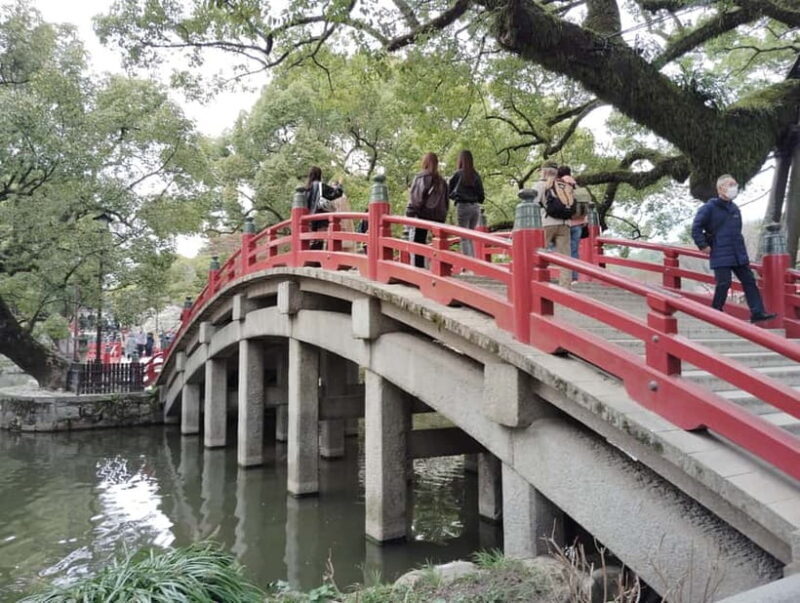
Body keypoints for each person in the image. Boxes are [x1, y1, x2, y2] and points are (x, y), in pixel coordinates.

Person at [691, 174, 776, 323]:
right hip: (720, 251)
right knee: (724, 283)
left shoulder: (735, 208)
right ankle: (716, 310)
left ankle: (757, 312)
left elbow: (737, 230)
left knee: (749, 281)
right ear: (720, 188)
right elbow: (696, 228)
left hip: (738, 252)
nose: (734, 188)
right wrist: (703, 245)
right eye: (730, 185)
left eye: (735, 185)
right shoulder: (709, 208)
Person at [406, 152, 449, 268]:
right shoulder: (443, 182)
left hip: (422, 215)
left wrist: (409, 214)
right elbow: (446, 202)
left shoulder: (421, 177)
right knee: (439, 246)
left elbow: (416, 199)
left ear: (424, 162)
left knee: (418, 244)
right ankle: (440, 270)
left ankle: (418, 272)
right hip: (438, 217)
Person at [534, 160, 574, 287]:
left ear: (543, 171)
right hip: (565, 223)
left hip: (546, 223)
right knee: (565, 258)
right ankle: (565, 287)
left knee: (539, 253)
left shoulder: (540, 185)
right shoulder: (564, 184)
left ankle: (539, 283)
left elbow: (532, 203)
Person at [448, 150, 485, 257]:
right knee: (471, 236)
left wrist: (456, 197)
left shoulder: (458, 174)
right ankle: (472, 262)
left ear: (461, 160)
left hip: (463, 207)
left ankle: (468, 265)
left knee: (464, 237)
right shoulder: (476, 175)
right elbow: (481, 195)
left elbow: (448, 190)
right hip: (475, 208)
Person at [558, 165, 590, 282]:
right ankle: (574, 278)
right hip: (579, 223)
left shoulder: (560, 184)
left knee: (557, 248)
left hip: (566, 222)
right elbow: (586, 205)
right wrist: (585, 219)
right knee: (574, 250)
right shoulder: (578, 186)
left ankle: (564, 276)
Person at [305, 166, 343, 250]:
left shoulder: (306, 188)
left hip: (308, 218)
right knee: (319, 239)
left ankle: (310, 259)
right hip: (321, 217)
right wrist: (339, 185)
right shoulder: (321, 186)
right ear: (319, 175)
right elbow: (336, 193)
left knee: (311, 239)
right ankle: (316, 261)